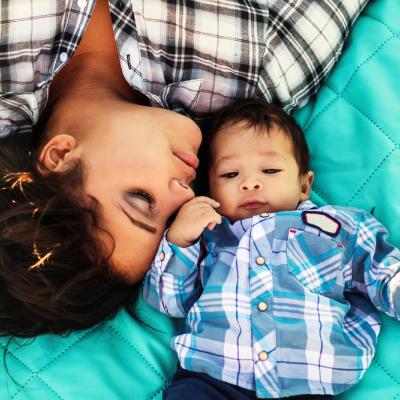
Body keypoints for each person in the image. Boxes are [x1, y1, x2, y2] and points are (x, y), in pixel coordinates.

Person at [0, 0, 369, 336]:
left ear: (60, 156)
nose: (185, 193)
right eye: (171, 220)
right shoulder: (261, 74)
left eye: (142, 200)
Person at [143, 99, 400, 399]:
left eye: (270, 169)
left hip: (307, 382)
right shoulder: (210, 236)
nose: (250, 182)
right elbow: (168, 301)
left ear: (305, 185)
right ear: (210, 189)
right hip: (212, 376)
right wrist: (179, 241)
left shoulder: (338, 226)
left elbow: (383, 269)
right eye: (230, 174)